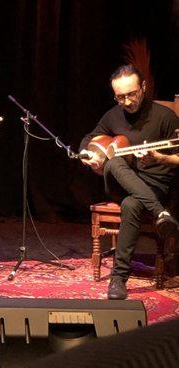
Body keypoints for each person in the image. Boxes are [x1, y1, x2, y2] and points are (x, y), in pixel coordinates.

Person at [79, 64, 179, 300]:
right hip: (121, 184)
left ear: (143, 87)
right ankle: (161, 214)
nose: (126, 101)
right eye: (120, 96)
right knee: (113, 163)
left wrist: (160, 157)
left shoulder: (165, 117)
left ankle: (118, 278)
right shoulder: (113, 115)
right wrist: (89, 154)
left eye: (131, 94)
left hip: (155, 185)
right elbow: (87, 139)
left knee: (131, 206)